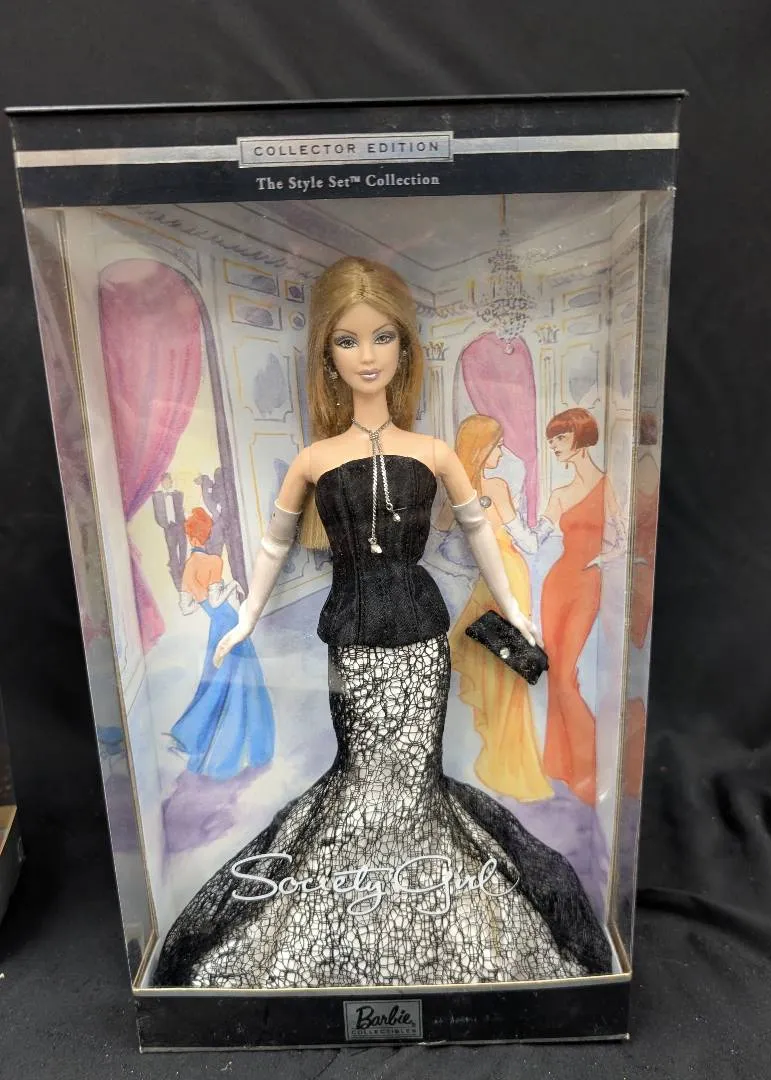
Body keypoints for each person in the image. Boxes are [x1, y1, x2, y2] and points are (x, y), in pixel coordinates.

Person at [154, 257, 610, 989]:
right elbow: (272, 543)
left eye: (382, 337)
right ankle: (349, 905)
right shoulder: (314, 459)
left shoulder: (432, 453)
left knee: (417, 779)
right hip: (353, 640)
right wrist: (243, 617)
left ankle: (429, 905)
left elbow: (480, 530)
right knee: (363, 772)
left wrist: (516, 608)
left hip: (421, 639)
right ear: (327, 357)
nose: (366, 356)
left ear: (404, 348)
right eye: (347, 341)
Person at [445, 414, 553, 802]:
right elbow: (529, 543)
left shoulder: (455, 492)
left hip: (490, 581)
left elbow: (440, 541)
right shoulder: (496, 488)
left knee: (495, 662)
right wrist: (548, 523)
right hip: (506, 575)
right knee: (507, 666)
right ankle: (504, 761)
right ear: (481, 449)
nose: (502, 452)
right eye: (497, 446)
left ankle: (502, 759)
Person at [538, 408, 624, 807]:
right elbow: (534, 539)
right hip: (556, 586)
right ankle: (562, 765)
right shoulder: (559, 495)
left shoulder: (607, 485)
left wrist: (601, 560)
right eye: (551, 440)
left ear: (580, 437)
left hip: (587, 585)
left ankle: (591, 769)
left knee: (565, 676)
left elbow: (624, 540)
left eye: (560, 437)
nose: (554, 445)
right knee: (559, 675)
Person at [168, 507, 274, 780]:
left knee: (216, 682)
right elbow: (217, 602)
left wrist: (202, 599)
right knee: (241, 681)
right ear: (206, 535)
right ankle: (248, 750)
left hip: (215, 626)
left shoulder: (188, 567)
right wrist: (233, 586)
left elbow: (186, 608)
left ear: (190, 537)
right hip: (227, 622)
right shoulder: (213, 561)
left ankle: (192, 737)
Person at [151, 472, 186, 590]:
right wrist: (165, 525)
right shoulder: (157, 496)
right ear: (161, 483)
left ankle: (183, 571)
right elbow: (157, 514)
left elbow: (181, 510)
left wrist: (182, 522)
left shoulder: (178, 494)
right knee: (172, 551)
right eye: (164, 481)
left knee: (183, 548)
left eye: (168, 481)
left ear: (171, 482)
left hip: (179, 526)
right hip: (169, 528)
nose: (166, 483)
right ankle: (176, 576)